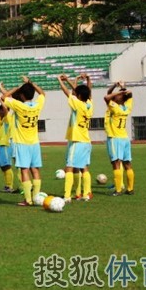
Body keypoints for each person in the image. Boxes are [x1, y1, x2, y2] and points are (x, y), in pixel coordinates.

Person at [0, 76, 45, 206]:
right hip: (35, 142)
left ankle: (28, 199)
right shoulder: (38, 105)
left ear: (22, 95)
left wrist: (17, 87)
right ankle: (36, 197)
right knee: (35, 170)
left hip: (22, 143)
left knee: (24, 170)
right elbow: (42, 94)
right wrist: (30, 83)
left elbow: (4, 97)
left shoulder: (19, 106)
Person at [57, 74, 93, 203]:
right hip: (86, 141)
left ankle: (67, 196)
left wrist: (60, 81)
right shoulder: (89, 104)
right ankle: (86, 194)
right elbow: (86, 92)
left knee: (69, 167)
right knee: (84, 167)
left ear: (78, 96)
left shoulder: (77, 104)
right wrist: (83, 80)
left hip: (77, 141)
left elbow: (67, 92)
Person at [104, 81, 135, 196]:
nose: (115, 96)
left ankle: (118, 190)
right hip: (125, 138)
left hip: (115, 138)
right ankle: (130, 189)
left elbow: (106, 97)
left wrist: (119, 91)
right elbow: (129, 95)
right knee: (127, 164)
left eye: (118, 95)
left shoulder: (115, 108)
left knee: (116, 163)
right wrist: (122, 88)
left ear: (120, 99)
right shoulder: (127, 107)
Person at [0, 94, 16, 193]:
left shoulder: (8, 118)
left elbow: (6, 110)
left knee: (7, 166)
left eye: (0, 110)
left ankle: (10, 186)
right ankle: (7, 185)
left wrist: (0, 100)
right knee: (2, 167)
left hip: (5, 145)